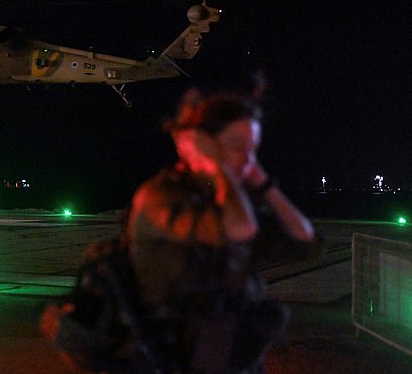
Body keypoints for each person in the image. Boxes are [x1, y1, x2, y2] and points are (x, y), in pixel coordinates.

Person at [125, 89, 316, 373]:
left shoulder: (226, 200)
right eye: (237, 146)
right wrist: (216, 164)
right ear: (204, 144)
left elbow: (305, 241)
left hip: (222, 358)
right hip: (170, 360)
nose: (248, 160)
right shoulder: (159, 197)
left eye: (254, 148)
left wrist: (262, 180)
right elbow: (240, 229)